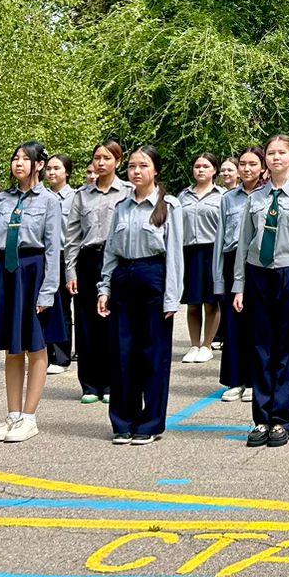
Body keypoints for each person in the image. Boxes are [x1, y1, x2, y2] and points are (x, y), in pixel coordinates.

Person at [0, 142, 66, 444]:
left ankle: (29, 417)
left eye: (25, 159)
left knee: (35, 345)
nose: (18, 164)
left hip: (33, 271)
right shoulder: (1, 200)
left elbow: (54, 249)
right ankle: (12, 414)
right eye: (15, 159)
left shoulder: (49, 201)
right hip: (5, 274)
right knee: (11, 348)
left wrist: (48, 291)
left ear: (38, 165)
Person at [235, 136, 289, 448]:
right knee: (260, 348)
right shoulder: (256, 198)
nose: (275, 158)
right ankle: (261, 417)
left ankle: (281, 418)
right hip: (258, 275)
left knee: (285, 349)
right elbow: (244, 244)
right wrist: (239, 286)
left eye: (282, 153)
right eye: (270, 153)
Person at [97, 146, 184, 445]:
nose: (136, 171)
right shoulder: (122, 206)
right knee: (123, 353)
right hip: (124, 277)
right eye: (132, 166)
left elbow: (174, 255)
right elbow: (111, 250)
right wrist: (104, 287)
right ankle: (123, 421)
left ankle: (150, 423)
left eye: (143, 166)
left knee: (153, 354)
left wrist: (171, 297)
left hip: (153, 279)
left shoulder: (168, 206)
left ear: (155, 170)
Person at [64, 142, 130, 405]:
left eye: (107, 158)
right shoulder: (82, 195)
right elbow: (72, 236)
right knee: (87, 323)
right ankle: (91, 384)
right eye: (96, 158)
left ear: (118, 161)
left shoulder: (127, 191)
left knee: (115, 322)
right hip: (88, 260)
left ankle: (114, 382)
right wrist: (70, 270)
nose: (101, 163)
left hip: (119, 259)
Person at [215, 146, 264, 402]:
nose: (247, 169)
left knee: (258, 323)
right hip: (232, 259)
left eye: (253, 164)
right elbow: (221, 237)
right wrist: (217, 278)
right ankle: (236, 380)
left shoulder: (268, 195)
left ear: (262, 167)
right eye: (243, 163)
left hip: (258, 262)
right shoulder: (228, 198)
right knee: (234, 323)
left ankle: (257, 380)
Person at [178, 154, 225, 363]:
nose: (201, 170)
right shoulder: (183, 196)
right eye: (197, 166)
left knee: (210, 301)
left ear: (214, 170)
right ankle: (194, 345)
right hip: (189, 251)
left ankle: (207, 344)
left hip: (212, 251)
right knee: (193, 301)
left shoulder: (222, 196)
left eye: (206, 166)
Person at [41, 154, 77, 373]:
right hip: (45, 256)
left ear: (67, 172)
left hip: (65, 255)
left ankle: (62, 357)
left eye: (57, 168)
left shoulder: (75, 197)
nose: (51, 173)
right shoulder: (42, 197)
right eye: (49, 169)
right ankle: (44, 354)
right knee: (45, 306)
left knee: (63, 307)